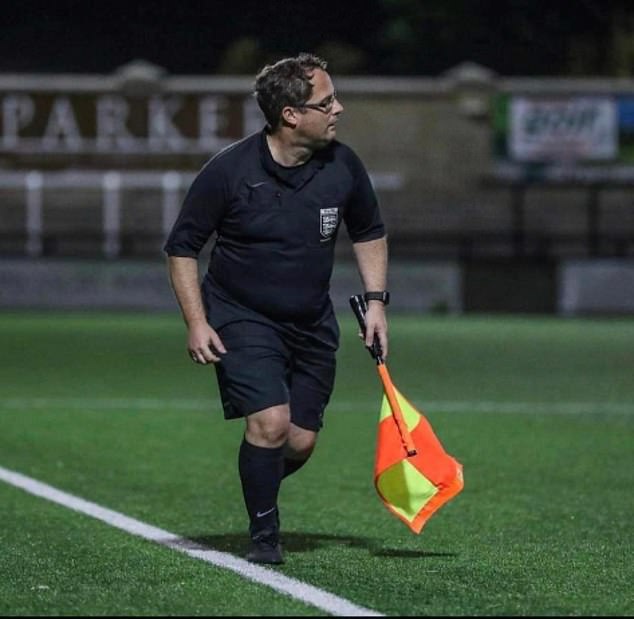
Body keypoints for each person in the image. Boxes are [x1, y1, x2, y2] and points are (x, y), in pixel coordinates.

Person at [163, 52, 390, 565]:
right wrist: (197, 322)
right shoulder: (229, 170)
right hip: (240, 315)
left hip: (311, 321)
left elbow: (370, 231)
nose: (339, 109)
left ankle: (257, 477)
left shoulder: (344, 165)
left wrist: (376, 304)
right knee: (270, 423)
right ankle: (264, 533)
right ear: (290, 114)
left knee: (300, 441)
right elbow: (182, 248)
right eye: (326, 101)